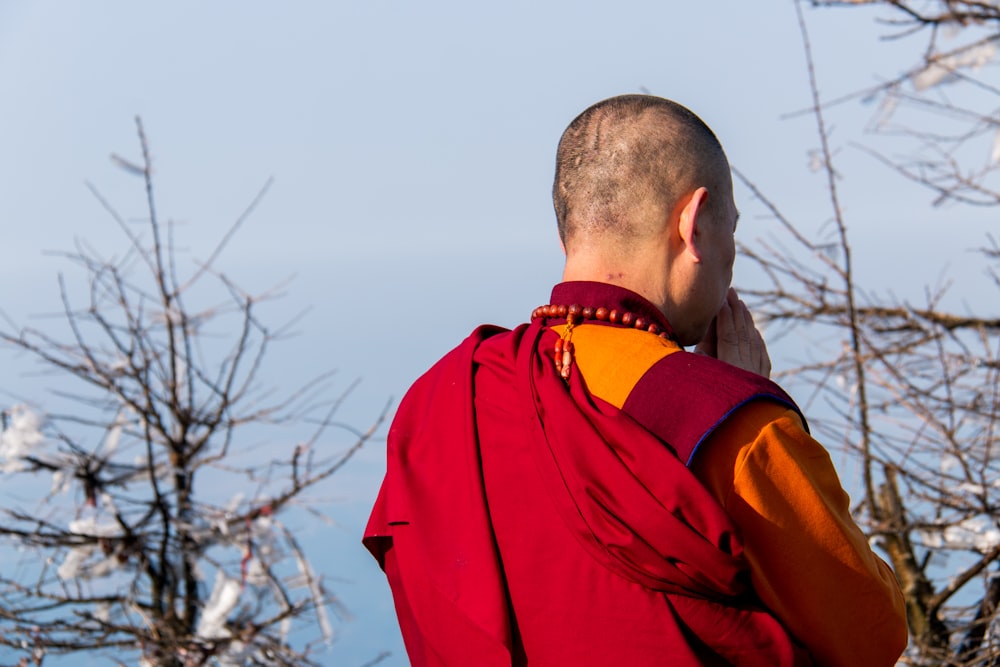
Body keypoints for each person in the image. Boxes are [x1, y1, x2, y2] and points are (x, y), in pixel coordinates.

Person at [364, 94, 907, 666]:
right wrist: (731, 406)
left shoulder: (444, 401)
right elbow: (870, 635)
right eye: (732, 232)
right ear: (694, 226)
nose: (731, 261)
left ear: (569, 235)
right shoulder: (732, 428)